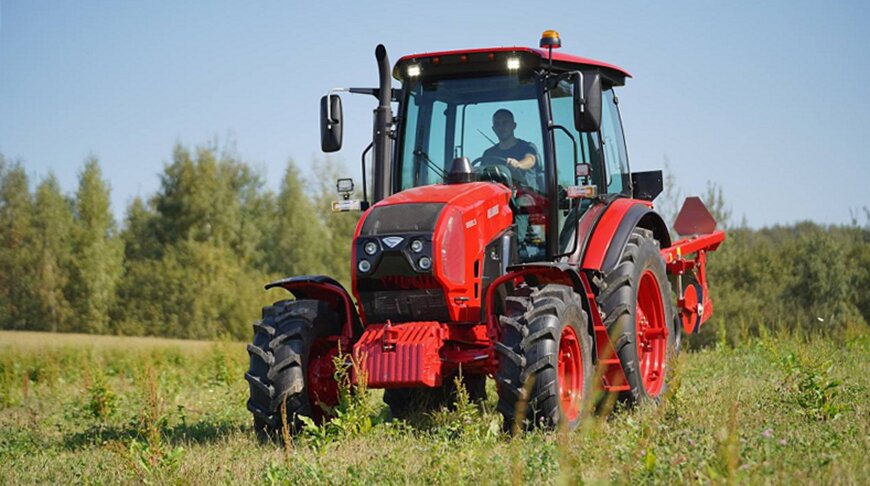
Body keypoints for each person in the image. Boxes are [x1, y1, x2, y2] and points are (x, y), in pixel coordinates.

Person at [482, 109, 538, 187]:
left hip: (525, 194)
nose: (501, 127)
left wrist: (518, 164)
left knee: (523, 199)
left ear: (514, 126)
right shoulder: (488, 154)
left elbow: (530, 160)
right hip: (498, 194)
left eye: (505, 123)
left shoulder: (527, 147)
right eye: (497, 124)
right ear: (493, 129)